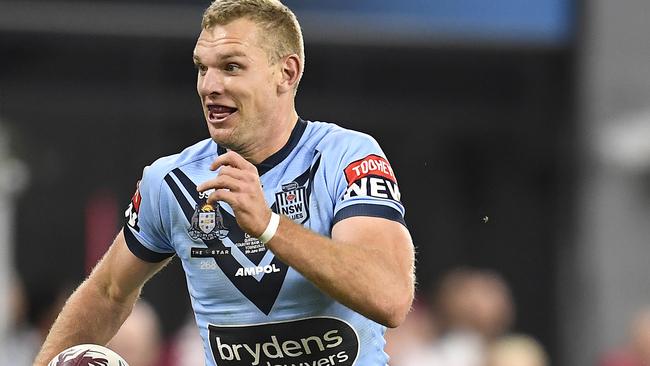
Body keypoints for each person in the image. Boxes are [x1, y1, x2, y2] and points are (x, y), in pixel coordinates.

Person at [33, 1, 415, 365]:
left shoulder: (346, 156)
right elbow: (107, 292)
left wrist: (269, 226)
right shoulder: (171, 182)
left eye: (231, 67)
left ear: (287, 72)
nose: (209, 86)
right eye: (203, 68)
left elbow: (389, 296)